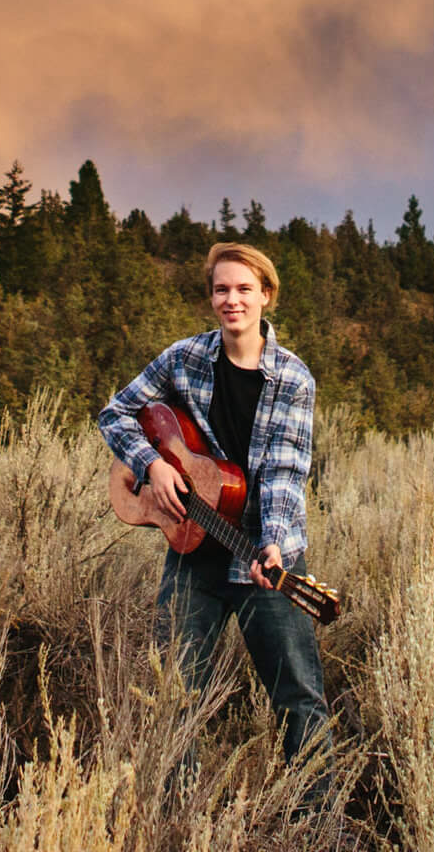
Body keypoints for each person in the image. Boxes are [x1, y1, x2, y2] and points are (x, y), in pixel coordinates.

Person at [96, 241, 330, 766]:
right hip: (193, 553)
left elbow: (285, 472)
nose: (233, 300)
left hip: (263, 556)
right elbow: (116, 413)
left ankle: (315, 825)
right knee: (172, 697)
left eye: (245, 289)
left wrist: (272, 540)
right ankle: (175, 819)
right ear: (211, 298)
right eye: (222, 289)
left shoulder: (293, 379)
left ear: (266, 296)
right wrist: (151, 465)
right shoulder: (184, 358)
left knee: (299, 702)